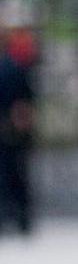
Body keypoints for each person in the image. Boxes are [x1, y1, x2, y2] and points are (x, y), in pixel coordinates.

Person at [0, 28, 37, 234]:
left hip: (10, 131)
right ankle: (20, 217)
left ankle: (16, 216)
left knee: (11, 174)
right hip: (13, 131)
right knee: (15, 174)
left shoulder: (12, 69)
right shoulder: (16, 68)